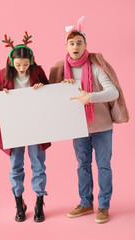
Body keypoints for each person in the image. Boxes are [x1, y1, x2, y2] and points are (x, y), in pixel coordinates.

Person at [49, 16, 129, 223]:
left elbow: (114, 93)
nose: (75, 46)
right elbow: (53, 98)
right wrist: (57, 89)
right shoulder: (61, 71)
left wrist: (90, 96)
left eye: (79, 43)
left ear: (86, 45)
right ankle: (85, 203)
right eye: (72, 43)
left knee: (103, 166)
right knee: (82, 166)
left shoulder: (95, 68)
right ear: (66, 46)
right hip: (78, 128)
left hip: (101, 127)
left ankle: (103, 206)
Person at [0, 32, 51, 222]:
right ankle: (19, 203)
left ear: (31, 61)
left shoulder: (37, 70)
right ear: (11, 62)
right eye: (18, 65)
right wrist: (2, 92)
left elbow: (49, 89)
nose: (23, 68)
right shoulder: (4, 73)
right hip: (14, 125)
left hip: (35, 125)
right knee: (16, 166)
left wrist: (42, 86)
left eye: (26, 64)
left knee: (38, 165)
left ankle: (39, 201)